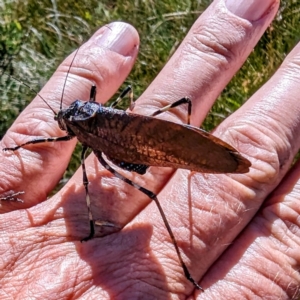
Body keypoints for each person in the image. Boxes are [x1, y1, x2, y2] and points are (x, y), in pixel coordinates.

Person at [1, 0, 298, 298]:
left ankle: (179, 252)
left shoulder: (77, 127)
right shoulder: (85, 110)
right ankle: (189, 163)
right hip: (122, 143)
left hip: (125, 151)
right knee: (170, 120)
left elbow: (63, 150)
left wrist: (20, 146)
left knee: (146, 187)